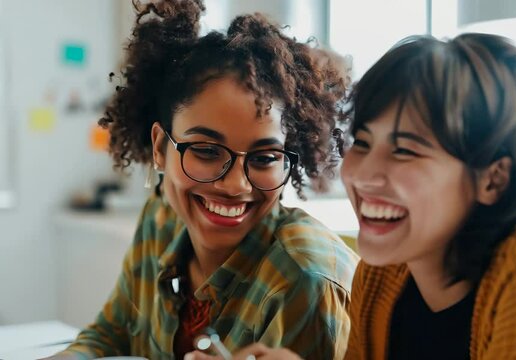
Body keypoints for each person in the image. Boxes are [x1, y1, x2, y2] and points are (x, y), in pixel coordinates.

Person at [194, 33, 516, 359]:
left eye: (405, 150)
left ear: (492, 179)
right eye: (364, 142)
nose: (364, 173)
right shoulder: (385, 274)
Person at [51, 0, 358, 359]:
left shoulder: (304, 280)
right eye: (207, 151)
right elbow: (112, 332)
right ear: (160, 147)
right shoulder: (161, 217)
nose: (235, 186)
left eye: (264, 158)